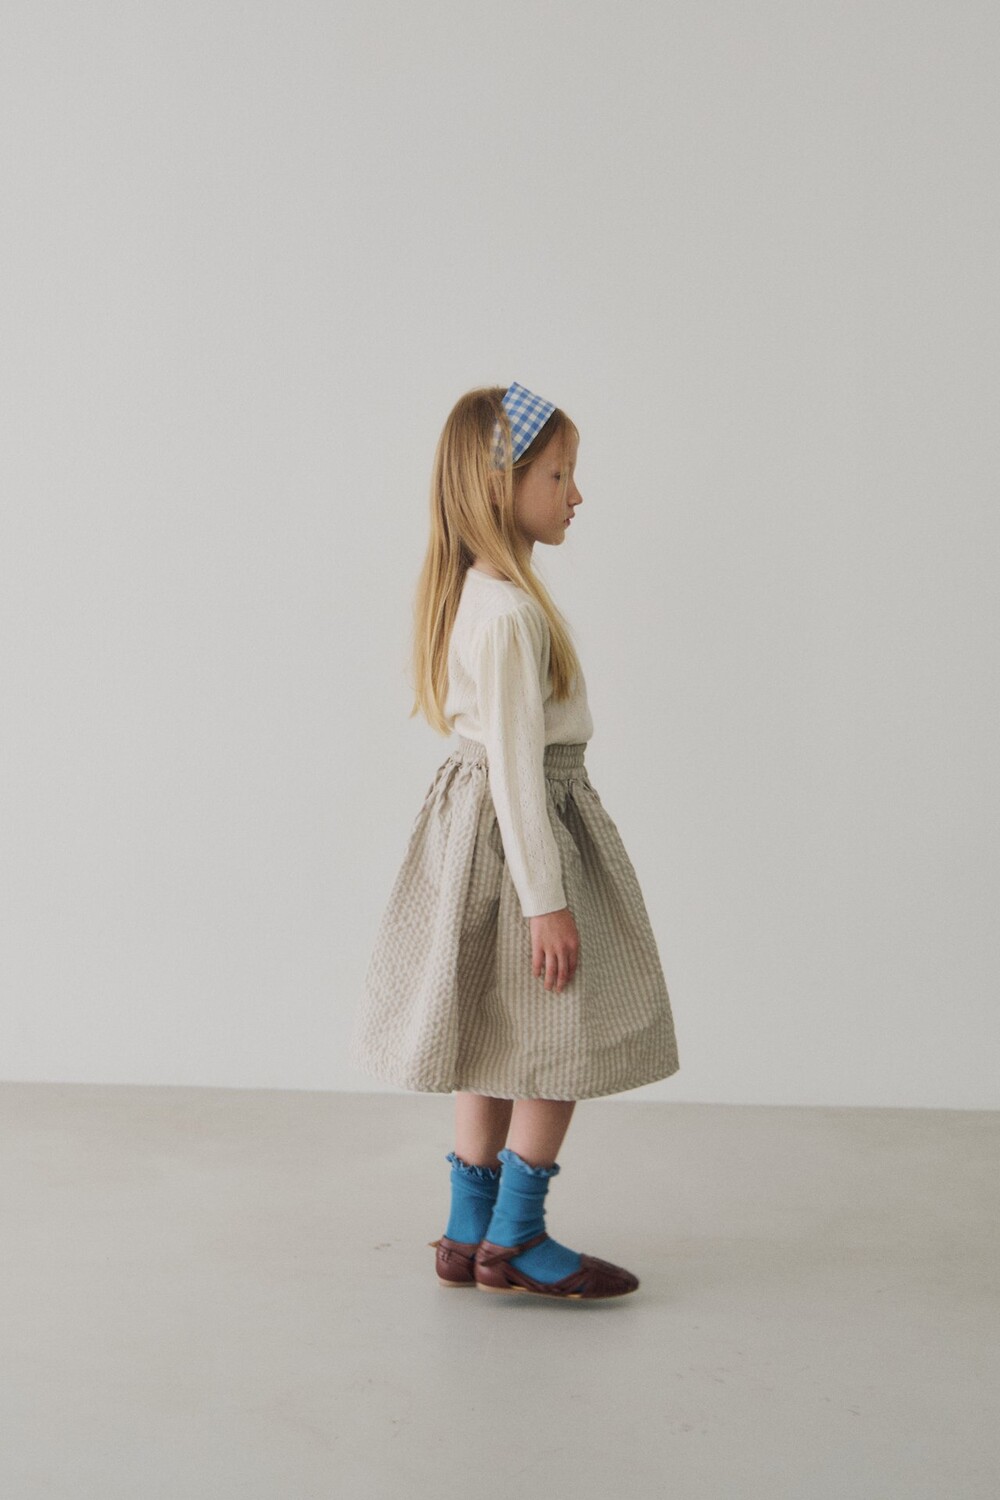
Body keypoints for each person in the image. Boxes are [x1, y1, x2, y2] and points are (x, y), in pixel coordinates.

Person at [350, 380, 679, 1300]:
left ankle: (468, 1232)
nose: (576, 495)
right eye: (559, 475)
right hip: (523, 840)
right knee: (562, 1028)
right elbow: (518, 776)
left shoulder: (483, 598)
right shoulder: (508, 616)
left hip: (482, 836)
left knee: (497, 1028)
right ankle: (517, 1238)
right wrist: (549, 903)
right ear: (503, 486)